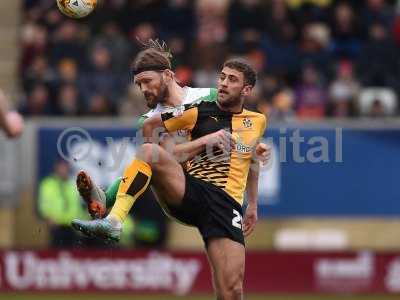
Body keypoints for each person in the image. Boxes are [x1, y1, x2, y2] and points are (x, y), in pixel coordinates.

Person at [72, 58, 268, 299]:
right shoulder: (198, 111)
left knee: (231, 291)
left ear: (247, 90)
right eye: (222, 77)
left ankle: (106, 198)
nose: (224, 83)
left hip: (227, 205)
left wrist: (254, 204)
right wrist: (204, 141)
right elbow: (155, 132)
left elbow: (252, 158)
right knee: (149, 152)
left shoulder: (256, 119)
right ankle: (114, 219)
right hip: (191, 191)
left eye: (232, 79)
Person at [74, 40, 270, 222]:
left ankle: (105, 199)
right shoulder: (149, 121)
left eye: (147, 81)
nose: (143, 89)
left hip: (217, 190)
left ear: (168, 75)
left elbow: (241, 127)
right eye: (139, 84)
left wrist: (252, 147)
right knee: (151, 158)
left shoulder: (208, 96)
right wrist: (202, 142)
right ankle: (108, 201)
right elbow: (164, 163)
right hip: (181, 193)